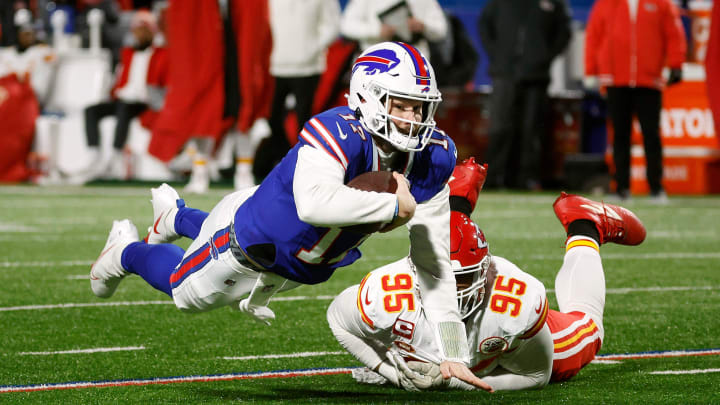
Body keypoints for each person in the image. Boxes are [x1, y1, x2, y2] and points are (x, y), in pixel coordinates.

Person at [88, 41, 490, 391]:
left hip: (298, 257)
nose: (413, 119)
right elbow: (314, 203)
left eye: (420, 107)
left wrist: (451, 351)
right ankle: (124, 250)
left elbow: (434, 264)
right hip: (246, 243)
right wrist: (392, 206)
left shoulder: (432, 158)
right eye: (400, 105)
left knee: (241, 242)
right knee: (184, 293)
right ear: (367, 96)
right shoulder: (337, 130)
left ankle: (175, 217)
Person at [326, 159, 647, 391]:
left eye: (461, 281)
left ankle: (585, 224)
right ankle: (459, 190)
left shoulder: (515, 304)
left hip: (508, 352)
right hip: (468, 316)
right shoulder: (386, 294)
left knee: (589, 329)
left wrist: (454, 384)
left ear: (485, 273)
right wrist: (388, 369)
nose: (449, 295)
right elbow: (338, 320)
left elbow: (535, 375)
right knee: (444, 241)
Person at [584, 0, 686, 203]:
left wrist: (676, 63)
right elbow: (594, 35)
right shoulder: (606, 4)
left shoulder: (660, 4)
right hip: (615, 78)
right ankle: (621, 187)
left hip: (648, 80)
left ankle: (656, 187)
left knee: (651, 135)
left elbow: (674, 33)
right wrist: (590, 70)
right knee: (620, 135)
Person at [478, 0, 571, 190]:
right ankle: (494, 177)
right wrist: (497, 56)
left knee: (531, 130)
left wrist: (544, 57)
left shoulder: (553, 2)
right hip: (504, 73)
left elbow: (564, 32)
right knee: (500, 127)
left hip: (536, 76)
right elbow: (484, 25)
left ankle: (526, 178)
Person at [70, 10, 163, 183]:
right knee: (91, 110)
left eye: (143, 29)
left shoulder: (160, 54)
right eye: (136, 30)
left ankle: (115, 155)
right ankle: (93, 155)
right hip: (123, 98)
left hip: (144, 101)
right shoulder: (127, 53)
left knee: (124, 109)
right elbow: (120, 78)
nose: (138, 34)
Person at [252, 0, 341, 183]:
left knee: (305, 120)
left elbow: (332, 25)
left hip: (309, 67)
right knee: (272, 118)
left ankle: (305, 168)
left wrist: (313, 48)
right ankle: (288, 161)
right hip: (274, 66)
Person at [339, 0, 447, 62]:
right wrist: (377, 31)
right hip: (375, 60)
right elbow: (346, 25)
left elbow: (441, 30)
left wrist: (424, 26)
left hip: (415, 62)